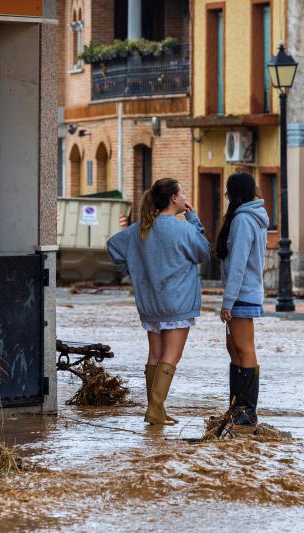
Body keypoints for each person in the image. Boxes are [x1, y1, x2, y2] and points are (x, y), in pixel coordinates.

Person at [107, 178, 211, 425]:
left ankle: (157, 409)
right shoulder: (183, 229)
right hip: (177, 303)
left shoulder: (139, 229)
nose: (185, 196)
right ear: (174, 198)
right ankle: (154, 409)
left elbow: (113, 247)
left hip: (150, 303)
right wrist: (194, 220)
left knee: (155, 354)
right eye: (183, 192)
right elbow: (204, 253)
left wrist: (135, 269)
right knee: (171, 357)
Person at [216, 172, 269, 431]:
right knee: (233, 347)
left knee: (244, 347)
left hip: (243, 293)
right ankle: (236, 406)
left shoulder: (244, 220)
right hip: (242, 292)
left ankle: (247, 412)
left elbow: (238, 263)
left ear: (232, 192)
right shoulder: (246, 218)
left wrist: (228, 301)